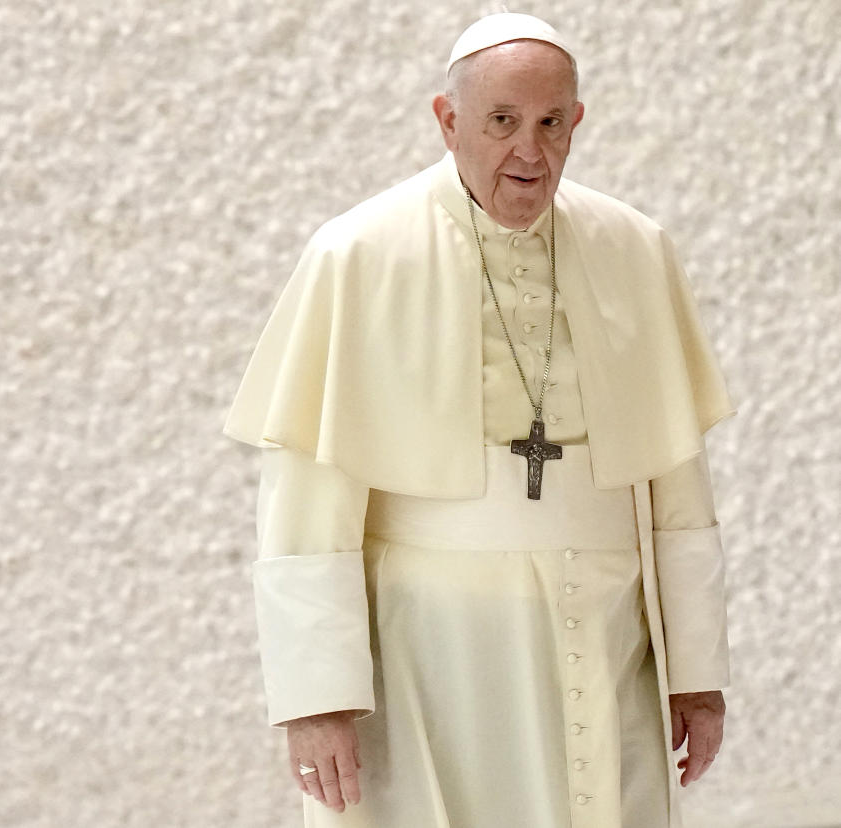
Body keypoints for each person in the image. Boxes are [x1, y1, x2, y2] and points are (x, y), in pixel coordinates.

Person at [222, 12, 735, 828]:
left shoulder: (635, 247)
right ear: (447, 119)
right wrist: (315, 697)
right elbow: (306, 500)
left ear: (576, 121)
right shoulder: (358, 253)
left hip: (604, 631)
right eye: (501, 122)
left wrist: (696, 673)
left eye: (550, 123)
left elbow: (677, 481)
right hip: (429, 648)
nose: (529, 152)